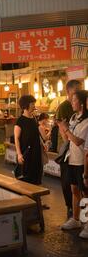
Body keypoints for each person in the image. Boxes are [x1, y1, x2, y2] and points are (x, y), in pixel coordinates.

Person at [58, 90, 88, 235]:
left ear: (82, 103)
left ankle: (87, 223)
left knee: (86, 193)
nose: (71, 102)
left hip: (83, 161)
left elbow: (77, 141)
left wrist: (66, 130)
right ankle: (76, 219)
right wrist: (62, 128)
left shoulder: (87, 122)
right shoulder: (74, 117)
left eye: (74, 100)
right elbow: (68, 139)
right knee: (74, 190)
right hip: (71, 160)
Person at [52, 79, 81, 218]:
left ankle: (79, 210)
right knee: (67, 180)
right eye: (76, 92)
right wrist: (70, 147)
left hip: (77, 148)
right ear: (68, 92)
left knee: (78, 182)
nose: (78, 95)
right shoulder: (64, 106)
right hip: (67, 148)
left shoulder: (81, 106)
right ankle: (70, 207)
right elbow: (62, 130)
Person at [14, 95, 43, 185]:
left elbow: (36, 135)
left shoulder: (34, 118)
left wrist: (43, 144)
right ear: (26, 105)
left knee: (37, 176)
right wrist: (19, 154)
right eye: (32, 104)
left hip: (36, 152)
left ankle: (36, 198)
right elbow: (17, 138)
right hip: (26, 153)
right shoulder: (20, 121)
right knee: (26, 179)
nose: (34, 106)